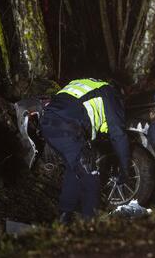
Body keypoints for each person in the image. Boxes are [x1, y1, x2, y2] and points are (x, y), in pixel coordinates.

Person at [41, 78, 130, 222]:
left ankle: (65, 216)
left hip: (47, 124)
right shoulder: (109, 93)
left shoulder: (85, 84)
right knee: (91, 175)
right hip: (68, 129)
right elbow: (118, 134)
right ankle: (90, 227)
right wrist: (125, 169)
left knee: (75, 169)